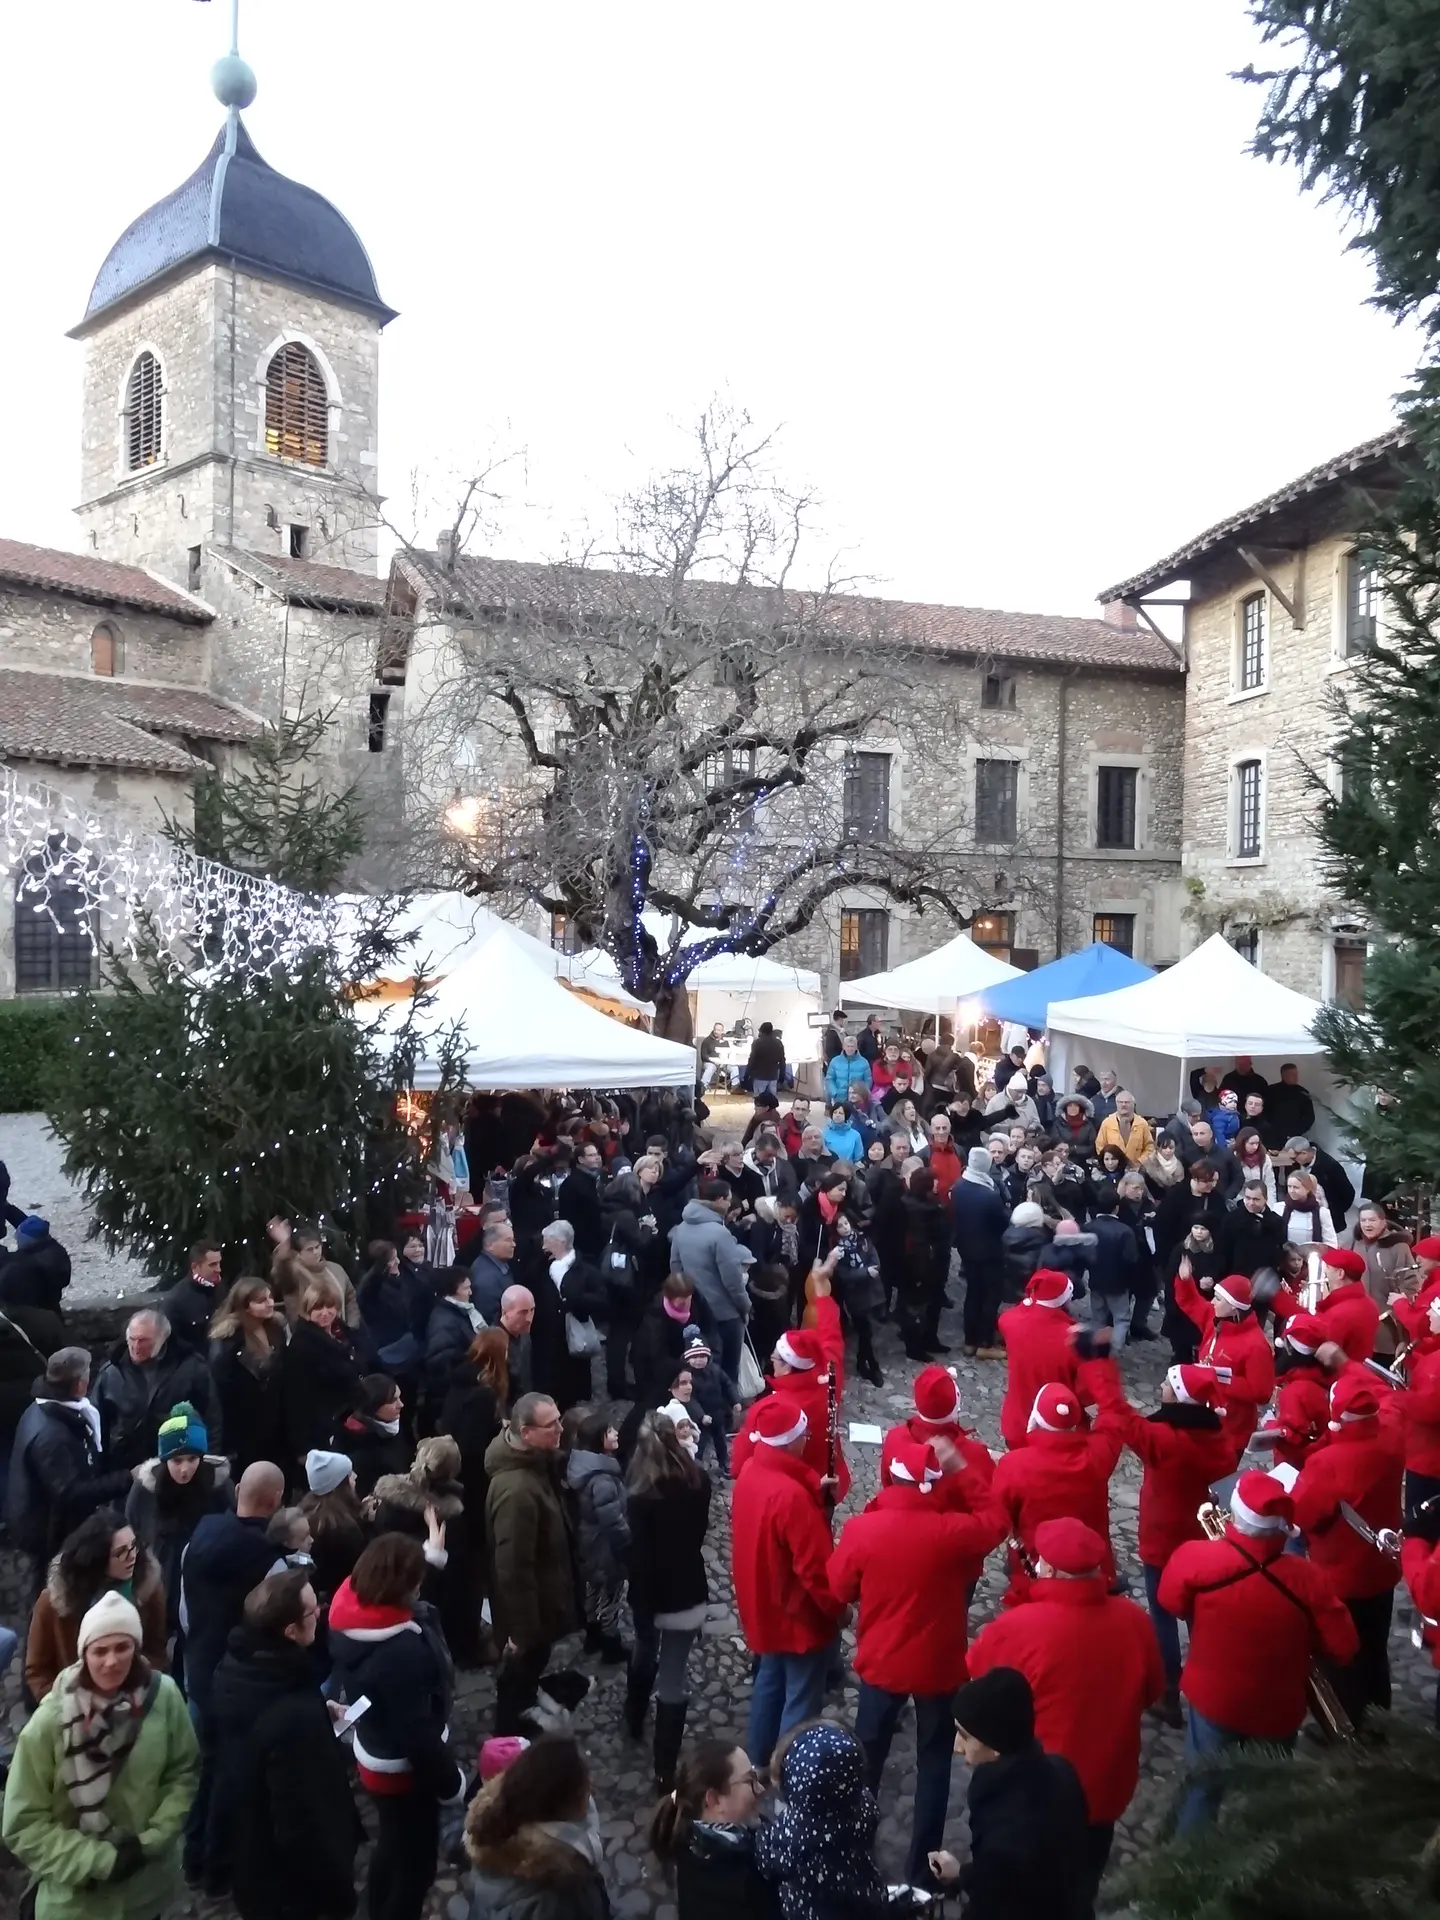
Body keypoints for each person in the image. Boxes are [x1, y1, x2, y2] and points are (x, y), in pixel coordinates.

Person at [830, 1436, 1006, 1885]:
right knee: (934, 1762)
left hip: (882, 1663)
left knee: (867, 1759)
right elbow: (997, 1520)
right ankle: (921, 1867)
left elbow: (839, 1587)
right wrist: (962, 1470)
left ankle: (854, 1850)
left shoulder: (863, 1530)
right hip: (937, 1666)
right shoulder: (951, 1532)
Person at [967, 1518, 1164, 1903]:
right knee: (1081, 1887)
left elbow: (980, 1682)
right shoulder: (1135, 1622)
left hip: (1034, 1793)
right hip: (1105, 1785)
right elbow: (1152, 1692)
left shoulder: (1018, 1627)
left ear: (1051, 1571)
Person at [1158, 1470, 1359, 1829]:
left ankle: (1186, 1867)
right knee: (1267, 1798)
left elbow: (1170, 1602)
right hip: (1277, 1706)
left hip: (1215, 1699)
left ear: (1235, 1515)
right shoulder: (1310, 1579)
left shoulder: (1196, 1558)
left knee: (1202, 1789)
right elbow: (1344, 1647)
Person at [2, 1589, 199, 1920]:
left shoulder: (164, 1697)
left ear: (136, 1649)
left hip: (147, 1892)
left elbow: (183, 1771)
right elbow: (23, 1824)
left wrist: (153, 1839)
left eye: (123, 1647)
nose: (112, 1661)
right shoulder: (49, 1723)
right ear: (84, 1654)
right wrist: (101, 1861)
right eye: (100, 1650)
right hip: (77, 1903)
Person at [207, 1569, 362, 1920]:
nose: (321, 1612)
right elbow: (305, 1823)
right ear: (290, 1631)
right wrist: (337, 1893)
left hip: (251, 1856)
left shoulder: (240, 1669)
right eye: (312, 1611)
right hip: (290, 1890)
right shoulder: (292, 1716)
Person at [329, 1534, 466, 1920]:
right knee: (415, 1868)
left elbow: (408, 1608)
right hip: (403, 1773)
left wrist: (430, 1558)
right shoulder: (399, 1654)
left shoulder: (351, 1615)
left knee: (391, 1845)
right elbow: (417, 1736)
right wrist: (452, 1783)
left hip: (375, 1753)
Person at [1090, 1363, 1236, 1721]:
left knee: (1162, 1616)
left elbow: (1120, 1413)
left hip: (1163, 1539)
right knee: (1199, 1615)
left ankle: (1168, 1689)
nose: (1161, 1386)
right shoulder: (1219, 1439)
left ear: (1181, 1398)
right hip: (1203, 1539)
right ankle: (1209, 1682)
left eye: (1169, 1384)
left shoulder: (1166, 1441)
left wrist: (1099, 1363)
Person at [180, 1461, 285, 1886]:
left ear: (239, 1488)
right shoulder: (269, 1560)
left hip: (198, 1667)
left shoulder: (199, 1535)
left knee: (202, 1770)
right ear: (275, 1501)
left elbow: (184, 1611)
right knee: (230, 1777)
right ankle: (218, 1866)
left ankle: (192, 1856)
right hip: (238, 1681)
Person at [731, 1398, 841, 1764]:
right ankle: (787, 1778)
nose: (807, 1437)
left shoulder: (751, 1470)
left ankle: (759, 1762)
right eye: (803, 1433)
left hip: (763, 1603)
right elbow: (815, 1570)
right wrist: (838, 1609)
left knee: (769, 1682)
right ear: (790, 1441)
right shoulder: (791, 1498)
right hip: (796, 1615)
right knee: (800, 1699)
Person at [1291, 1373, 1405, 1726]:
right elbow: (1391, 1397)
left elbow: (1304, 1513)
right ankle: (1378, 1716)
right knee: (1375, 1647)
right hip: (1381, 1566)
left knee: (1340, 1653)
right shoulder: (1390, 1436)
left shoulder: (1328, 1463)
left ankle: (1343, 1725)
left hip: (1340, 1571)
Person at [934, 1667, 1090, 1920]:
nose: (957, 1747)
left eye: (965, 1736)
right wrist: (962, 1874)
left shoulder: (1010, 1827)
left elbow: (996, 1894)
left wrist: (965, 1877)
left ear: (995, 1746)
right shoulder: (1060, 1770)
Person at [624, 1409, 712, 1788]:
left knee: (645, 1651)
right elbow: (697, 1536)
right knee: (674, 1678)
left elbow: (640, 1555)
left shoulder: (639, 1495)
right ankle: (664, 1769)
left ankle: (634, 1715)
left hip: (650, 1594)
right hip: (686, 1589)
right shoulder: (699, 1482)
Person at [485, 1393, 582, 1735]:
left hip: (545, 1594)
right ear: (525, 1433)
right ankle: (511, 1729)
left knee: (530, 1664)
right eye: (551, 1424)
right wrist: (521, 1632)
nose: (560, 1427)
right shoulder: (517, 1492)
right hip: (531, 1610)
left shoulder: (534, 1463)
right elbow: (513, 1567)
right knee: (521, 1667)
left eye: (559, 1418)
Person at [729, 1264, 849, 1500]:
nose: (772, 1360)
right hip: (828, 1479)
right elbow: (830, 1337)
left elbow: (738, 1464)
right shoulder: (829, 1378)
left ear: (787, 1365)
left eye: (776, 1357)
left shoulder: (772, 1408)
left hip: (790, 1489)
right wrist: (822, 1296)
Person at [25, 1508, 169, 1701]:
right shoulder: (54, 1603)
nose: (132, 1556)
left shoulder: (148, 1588)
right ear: (97, 1558)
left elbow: (157, 1650)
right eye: (120, 1553)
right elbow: (37, 1671)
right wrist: (66, 1706)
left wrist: (137, 1691)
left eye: (134, 1546)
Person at [464, 1733, 610, 1920]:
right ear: (561, 1806)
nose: (592, 1785)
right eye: (583, 1786)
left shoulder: (496, 1831)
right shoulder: (561, 1893)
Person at [8, 1346, 133, 1564]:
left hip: (45, 1521)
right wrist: (127, 1478)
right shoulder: (52, 1436)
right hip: (49, 1533)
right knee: (55, 1586)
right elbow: (71, 1494)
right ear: (80, 1384)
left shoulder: (43, 1409)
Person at [125, 1401, 233, 1651]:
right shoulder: (146, 1489)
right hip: (160, 1571)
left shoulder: (217, 1486)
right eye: (176, 1461)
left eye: (192, 1459)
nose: (185, 1469)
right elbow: (133, 1527)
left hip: (202, 1576)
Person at [753, 1723, 885, 1919]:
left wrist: (756, 1826)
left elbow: (766, 1860)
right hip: (866, 1900)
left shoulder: (790, 1840)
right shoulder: (866, 1805)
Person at [649, 1737, 778, 1920]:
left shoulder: (689, 1841)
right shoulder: (738, 1886)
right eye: (750, 1780)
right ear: (715, 1800)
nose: (760, 1788)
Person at [92, 1308, 219, 1472]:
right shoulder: (111, 1373)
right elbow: (96, 1424)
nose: (136, 1347)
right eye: (132, 1339)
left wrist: (208, 1463)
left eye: (144, 1341)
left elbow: (212, 1417)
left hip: (177, 1464)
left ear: (163, 1339)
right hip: (125, 1469)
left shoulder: (192, 1369)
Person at [1171, 1268, 1275, 1448]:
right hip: (1203, 1414)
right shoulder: (1217, 1317)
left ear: (1234, 1307)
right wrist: (1185, 1280)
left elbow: (1262, 1392)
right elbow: (1192, 1302)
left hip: (1231, 1428)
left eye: (1218, 1299)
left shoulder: (1256, 1345)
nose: (1212, 1302)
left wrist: (1218, 1378)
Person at [669, 1180, 752, 1387]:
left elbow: (676, 1266)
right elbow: (732, 1279)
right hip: (725, 1311)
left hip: (696, 1308)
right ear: (720, 1201)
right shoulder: (720, 1233)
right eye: (729, 1200)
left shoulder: (681, 1228)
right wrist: (745, 1305)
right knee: (728, 1369)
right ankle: (728, 1407)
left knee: (702, 1365)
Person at [566, 1406, 631, 1665]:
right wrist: (628, 1545)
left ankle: (592, 1635)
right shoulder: (603, 1479)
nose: (616, 1433)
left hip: (589, 1543)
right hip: (605, 1549)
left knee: (593, 1588)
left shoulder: (581, 1467)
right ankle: (610, 1643)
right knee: (611, 1596)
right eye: (610, 1431)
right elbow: (613, 1522)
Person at [278, 1277, 362, 1473]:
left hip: (342, 1425)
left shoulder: (341, 1334)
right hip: (321, 1433)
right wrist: (303, 1447)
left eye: (330, 1307)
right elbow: (296, 1400)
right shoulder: (302, 1346)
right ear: (307, 1311)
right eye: (318, 1308)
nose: (325, 1313)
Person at [997, 1269, 1079, 1453]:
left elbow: (1006, 1318)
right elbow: (1085, 1391)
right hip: (1056, 1428)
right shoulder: (1073, 1341)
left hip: (1017, 1422)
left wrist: (1029, 1304)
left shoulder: (1012, 1322)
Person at [208, 1277, 284, 1473]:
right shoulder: (228, 1342)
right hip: (245, 1431)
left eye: (270, 1297)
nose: (270, 1303)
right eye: (261, 1300)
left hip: (277, 1426)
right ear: (245, 1306)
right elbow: (221, 1393)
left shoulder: (275, 1328)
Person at [953, 1146, 1008, 1359]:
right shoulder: (989, 1195)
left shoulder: (959, 1186)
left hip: (967, 1249)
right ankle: (985, 1342)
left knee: (973, 1294)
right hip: (989, 1252)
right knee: (990, 1297)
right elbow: (1003, 1222)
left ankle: (970, 1341)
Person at [1344, 1199, 1417, 1355]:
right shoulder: (1353, 1244)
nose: (1367, 1224)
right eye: (1363, 1220)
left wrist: (1400, 1302)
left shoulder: (1398, 1247)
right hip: (1358, 1318)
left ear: (1383, 1222)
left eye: (1372, 1220)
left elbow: (1411, 1281)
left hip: (1388, 1321)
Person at [160, 1240, 225, 1356]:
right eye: (213, 1264)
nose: (219, 1269)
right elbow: (170, 1342)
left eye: (219, 1263)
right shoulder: (176, 1299)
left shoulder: (220, 1287)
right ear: (195, 1267)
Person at [0, 1213, 72, 1314]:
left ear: (26, 1241)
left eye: (18, 1239)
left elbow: (6, 1260)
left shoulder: (26, 1261)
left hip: (32, 1310)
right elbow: (30, 1227)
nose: (16, 1241)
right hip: (51, 1305)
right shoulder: (52, 1248)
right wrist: (9, 1210)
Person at [558, 1141, 607, 1263]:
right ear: (580, 1159)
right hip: (583, 1247)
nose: (597, 1157)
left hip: (594, 1244)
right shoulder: (574, 1184)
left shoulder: (593, 1179)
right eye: (591, 1155)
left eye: (597, 1154)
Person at [470, 1218, 517, 1324]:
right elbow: (490, 1320)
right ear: (490, 1245)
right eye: (508, 1240)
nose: (513, 1244)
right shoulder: (486, 1278)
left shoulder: (500, 1265)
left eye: (513, 1240)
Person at [824, 1032, 871, 1107]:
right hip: (839, 1100)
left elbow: (868, 1080)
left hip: (857, 1101)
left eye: (852, 1046)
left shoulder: (864, 1062)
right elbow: (829, 1079)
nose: (850, 1049)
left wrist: (862, 1094)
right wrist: (835, 1093)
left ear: (856, 1047)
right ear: (843, 1047)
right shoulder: (835, 1061)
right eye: (848, 1046)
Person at [746, 1021, 787, 1099]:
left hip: (760, 1075)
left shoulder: (757, 1043)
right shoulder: (778, 1043)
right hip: (773, 1075)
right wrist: (782, 1075)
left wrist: (747, 1075)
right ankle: (772, 1111)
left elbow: (752, 1060)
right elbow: (782, 1060)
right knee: (772, 1100)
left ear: (761, 1031)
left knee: (760, 1100)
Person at [699, 1020, 729, 1090]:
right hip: (710, 1062)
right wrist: (713, 1061)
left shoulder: (726, 1041)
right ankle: (703, 1086)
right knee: (711, 1067)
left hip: (723, 1063)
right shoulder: (707, 1041)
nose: (716, 1031)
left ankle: (735, 1086)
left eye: (718, 1030)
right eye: (715, 1029)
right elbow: (703, 1055)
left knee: (734, 1068)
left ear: (722, 1031)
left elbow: (728, 1053)